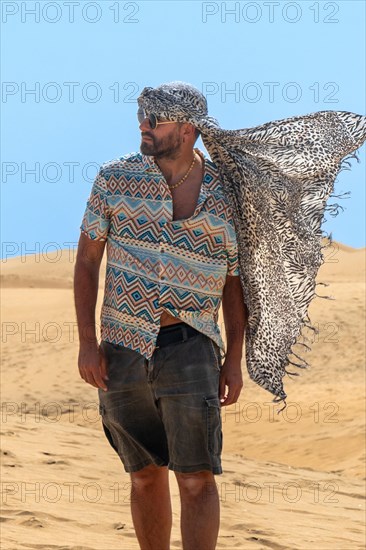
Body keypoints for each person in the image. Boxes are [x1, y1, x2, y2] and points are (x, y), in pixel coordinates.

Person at [74, 83, 248, 550]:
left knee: (196, 479)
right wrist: (87, 343)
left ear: (187, 128)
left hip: (192, 347)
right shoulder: (115, 179)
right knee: (145, 475)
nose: (143, 126)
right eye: (141, 116)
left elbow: (235, 283)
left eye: (155, 119)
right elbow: (88, 260)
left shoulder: (227, 195)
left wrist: (234, 359)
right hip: (122, 346)